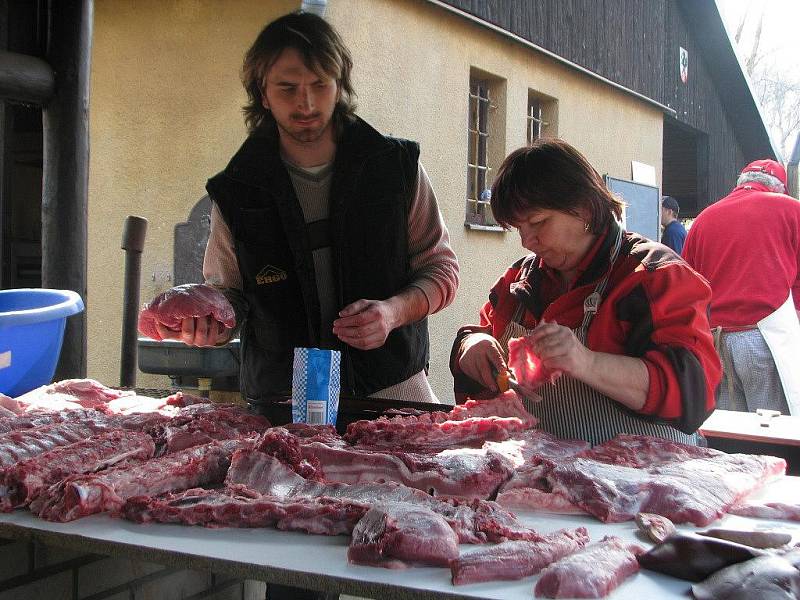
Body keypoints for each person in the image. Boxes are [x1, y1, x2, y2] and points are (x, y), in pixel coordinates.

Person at [151, 11, 458, 409]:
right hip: (283, 404)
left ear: (339, 84)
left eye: (319, 84)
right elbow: (231, 297)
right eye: (288, 87)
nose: (307, 103)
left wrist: (392, 312)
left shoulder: (396, 167)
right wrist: (210, 327)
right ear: (262, 92)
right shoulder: (237, 189)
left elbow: (442, 270)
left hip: (392, 394)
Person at [450, 139, 721, 446]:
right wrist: (471, 345)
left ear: (584, 208)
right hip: (542, 480)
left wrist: (586, 362)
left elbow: (691, 391)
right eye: (518, 227)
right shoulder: (519, 280)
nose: (527, 240)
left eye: (537, 222)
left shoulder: (655, 277)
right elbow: (482, 334)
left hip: (643, 482)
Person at [683, 159, 800, 415]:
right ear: (779, 188)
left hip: (714, 342)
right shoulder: (791, 210)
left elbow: (686, 286)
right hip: (766, 340)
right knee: (774, 432)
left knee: (731, 435)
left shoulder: (703, 219)